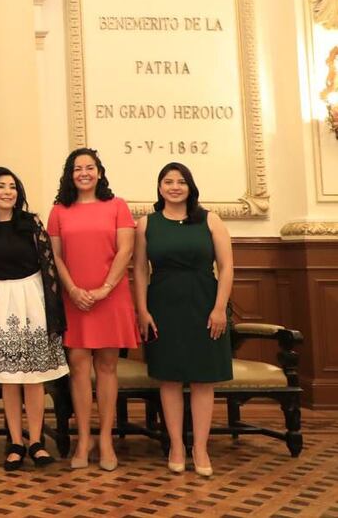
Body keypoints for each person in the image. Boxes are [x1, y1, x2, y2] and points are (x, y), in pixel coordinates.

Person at [134, 162, 233, 477]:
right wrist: (142, 310)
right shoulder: (146, 224)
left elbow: (227, 267)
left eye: (181, 181)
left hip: (205, 303)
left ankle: (199, 447)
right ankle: (176, 444)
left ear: (190, 187)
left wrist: (219, 308)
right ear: (159, 187)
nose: (174, 186)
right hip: (163, 304)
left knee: (203, 379)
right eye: (168, 181)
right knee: (170, 378)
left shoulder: (210, 220)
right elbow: (138, 270)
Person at [47, 148, 138, 471]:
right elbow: (55, 257)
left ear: (99, 172)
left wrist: (104, 290)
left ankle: (106, 440)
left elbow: (125, 250)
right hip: (75, 298)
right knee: (79, 368)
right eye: (77, 168)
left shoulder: (117, 206)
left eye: (90, 167)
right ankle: (83, 440)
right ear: (69, 174)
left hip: (110, 297)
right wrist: (73, 289)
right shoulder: (59, 210)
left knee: (108, 368)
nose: (83, 173)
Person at [0, 167, 68, 471]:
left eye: (12, 186)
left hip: (31, 299)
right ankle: (15, 442)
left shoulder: (31, 223)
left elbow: (49, 265)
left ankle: (37, 442)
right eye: (1, 186)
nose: (7, 192)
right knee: (10, 379)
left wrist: (52, 309)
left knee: (34, 377)